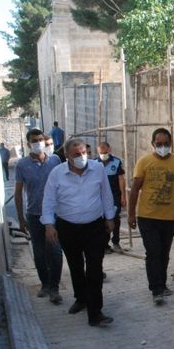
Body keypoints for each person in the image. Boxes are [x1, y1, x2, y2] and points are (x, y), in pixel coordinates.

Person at [42, 138, 116, 327]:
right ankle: (81, 298)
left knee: (95, 269)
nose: (82, 157)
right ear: (67, 156)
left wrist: (110, 218)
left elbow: (106, 194)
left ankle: (95, 312)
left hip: (94, 227)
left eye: (84, 153)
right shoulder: (57, 174)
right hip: (68, 227)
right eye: (77, 154)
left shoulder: (97, 169)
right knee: (76, 266)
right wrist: (49, 225)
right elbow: (49, 200)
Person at [128, 128, 174, 305]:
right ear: (153, 144)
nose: (163, 147)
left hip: (169, 216)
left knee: (164, 253)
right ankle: (156, 289)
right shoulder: (144, 162)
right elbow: (135, 189)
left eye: (166, 144)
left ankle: (162, 284)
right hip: (147, 216)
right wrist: (130, 215)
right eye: (159, 144)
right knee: (153, 251)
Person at [14, 129, 64, 303]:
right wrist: (21, 218)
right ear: (28, 144)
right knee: (40, 253)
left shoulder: (55, 161)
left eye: (41, 140)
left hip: (55, 215)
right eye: (34, 141)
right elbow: (18, 192)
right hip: (34, 215)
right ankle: (45, 284)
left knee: (56, 252)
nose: (38, 143)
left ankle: (55, 288)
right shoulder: (22, 165)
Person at [95, 142, 127, 253]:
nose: (103, 154)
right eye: (101, 152)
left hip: (114, 196)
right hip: (100, 198)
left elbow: (121, 179)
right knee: (102, 220)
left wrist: (123, 195)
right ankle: (104, 244)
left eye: (105, 152)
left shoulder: (117, 162)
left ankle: (116, 242)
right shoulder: (94, 163)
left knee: (115, 219)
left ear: (109, 150)